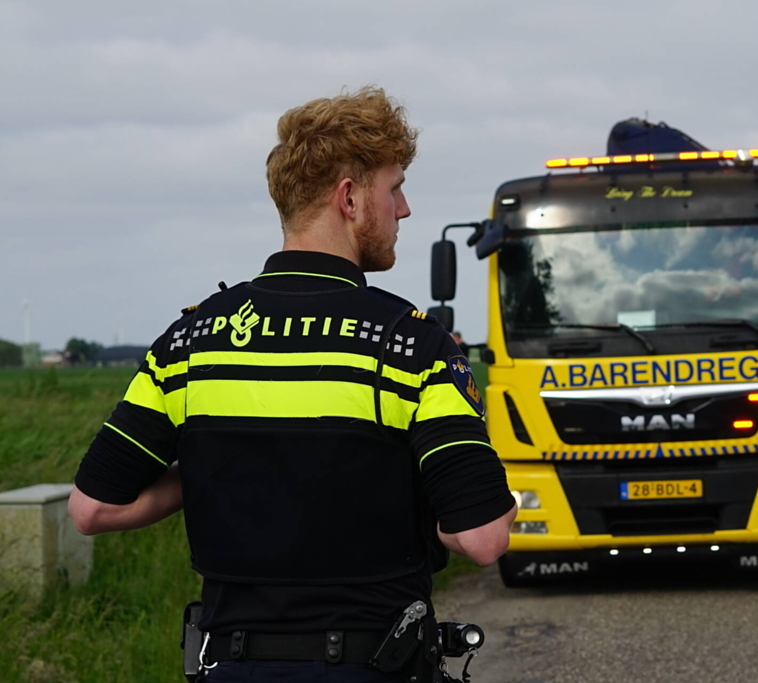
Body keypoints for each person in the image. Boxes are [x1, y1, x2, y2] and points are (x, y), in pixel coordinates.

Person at [68, 86, 517, 683]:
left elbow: (94, 508)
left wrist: (209, 469)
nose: (403, 209)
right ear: (350, 198)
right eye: (395, 187)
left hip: (228, 668)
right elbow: (481, 538)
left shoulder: (189, 343)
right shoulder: (412, 345)